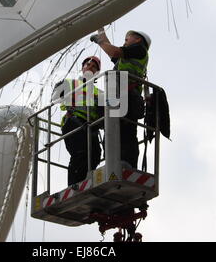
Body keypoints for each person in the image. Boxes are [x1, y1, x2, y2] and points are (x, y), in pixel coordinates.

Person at [90, 28, 150, 169]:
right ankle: (113, 162)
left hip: (128, 96)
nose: (124, 42)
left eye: (126, 39)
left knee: (126, 131)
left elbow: (114, 51)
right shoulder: (128, 56)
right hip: (119, 95)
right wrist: (101, 31)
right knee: (111, 130)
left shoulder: (140, 50)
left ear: (138, 39)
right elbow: (112, 52)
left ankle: (127, 164)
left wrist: (100, 41)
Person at [53, 56, 103, 185]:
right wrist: (60, 89)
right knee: (80, 152)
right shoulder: (70, 83)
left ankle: (86, 182)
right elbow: (55, 97)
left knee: (96, 154)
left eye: (94, 67)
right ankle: (74, 185)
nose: (90, 68)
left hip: (90, 126)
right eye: (88, 65)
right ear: (82, 68)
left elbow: (103, 114)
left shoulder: (99, 92)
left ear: (97, 73)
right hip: (73, 121)